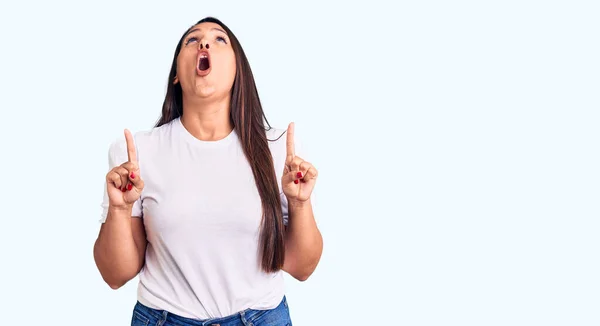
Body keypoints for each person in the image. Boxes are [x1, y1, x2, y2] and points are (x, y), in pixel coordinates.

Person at [93, 16, 323, 326]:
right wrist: (119, 210)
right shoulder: (136, 152)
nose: (204, 43)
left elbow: (301, 267)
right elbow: (115, 275)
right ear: (176, 74)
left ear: (237, 69)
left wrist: (299, 204)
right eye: (192, 40)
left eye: (219, 40)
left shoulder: (281, 150)